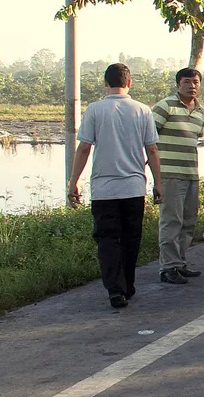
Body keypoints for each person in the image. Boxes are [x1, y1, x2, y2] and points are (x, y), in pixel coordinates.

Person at [68, 63, 162, 308]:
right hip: (133, 188)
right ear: (129, 83)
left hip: (104, 190)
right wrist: (158, 184)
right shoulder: (143, 111)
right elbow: (152, 149)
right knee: (131, 238)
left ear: (105, 84)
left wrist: (73, 182)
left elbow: (85, 147)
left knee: (108, 239)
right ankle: (128, 285)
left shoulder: (95, 110)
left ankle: (115, 290)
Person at [153, 67, 204, 285]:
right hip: (169, 174)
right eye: (187, 82)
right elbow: (148, 138)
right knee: (171, 221)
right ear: (178, 84)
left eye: (196, 82)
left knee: (188, 221)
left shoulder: (200, 112)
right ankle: (167, 268)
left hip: (191, 174)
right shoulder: (165, 106)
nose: (192, 86)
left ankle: (179, 263)